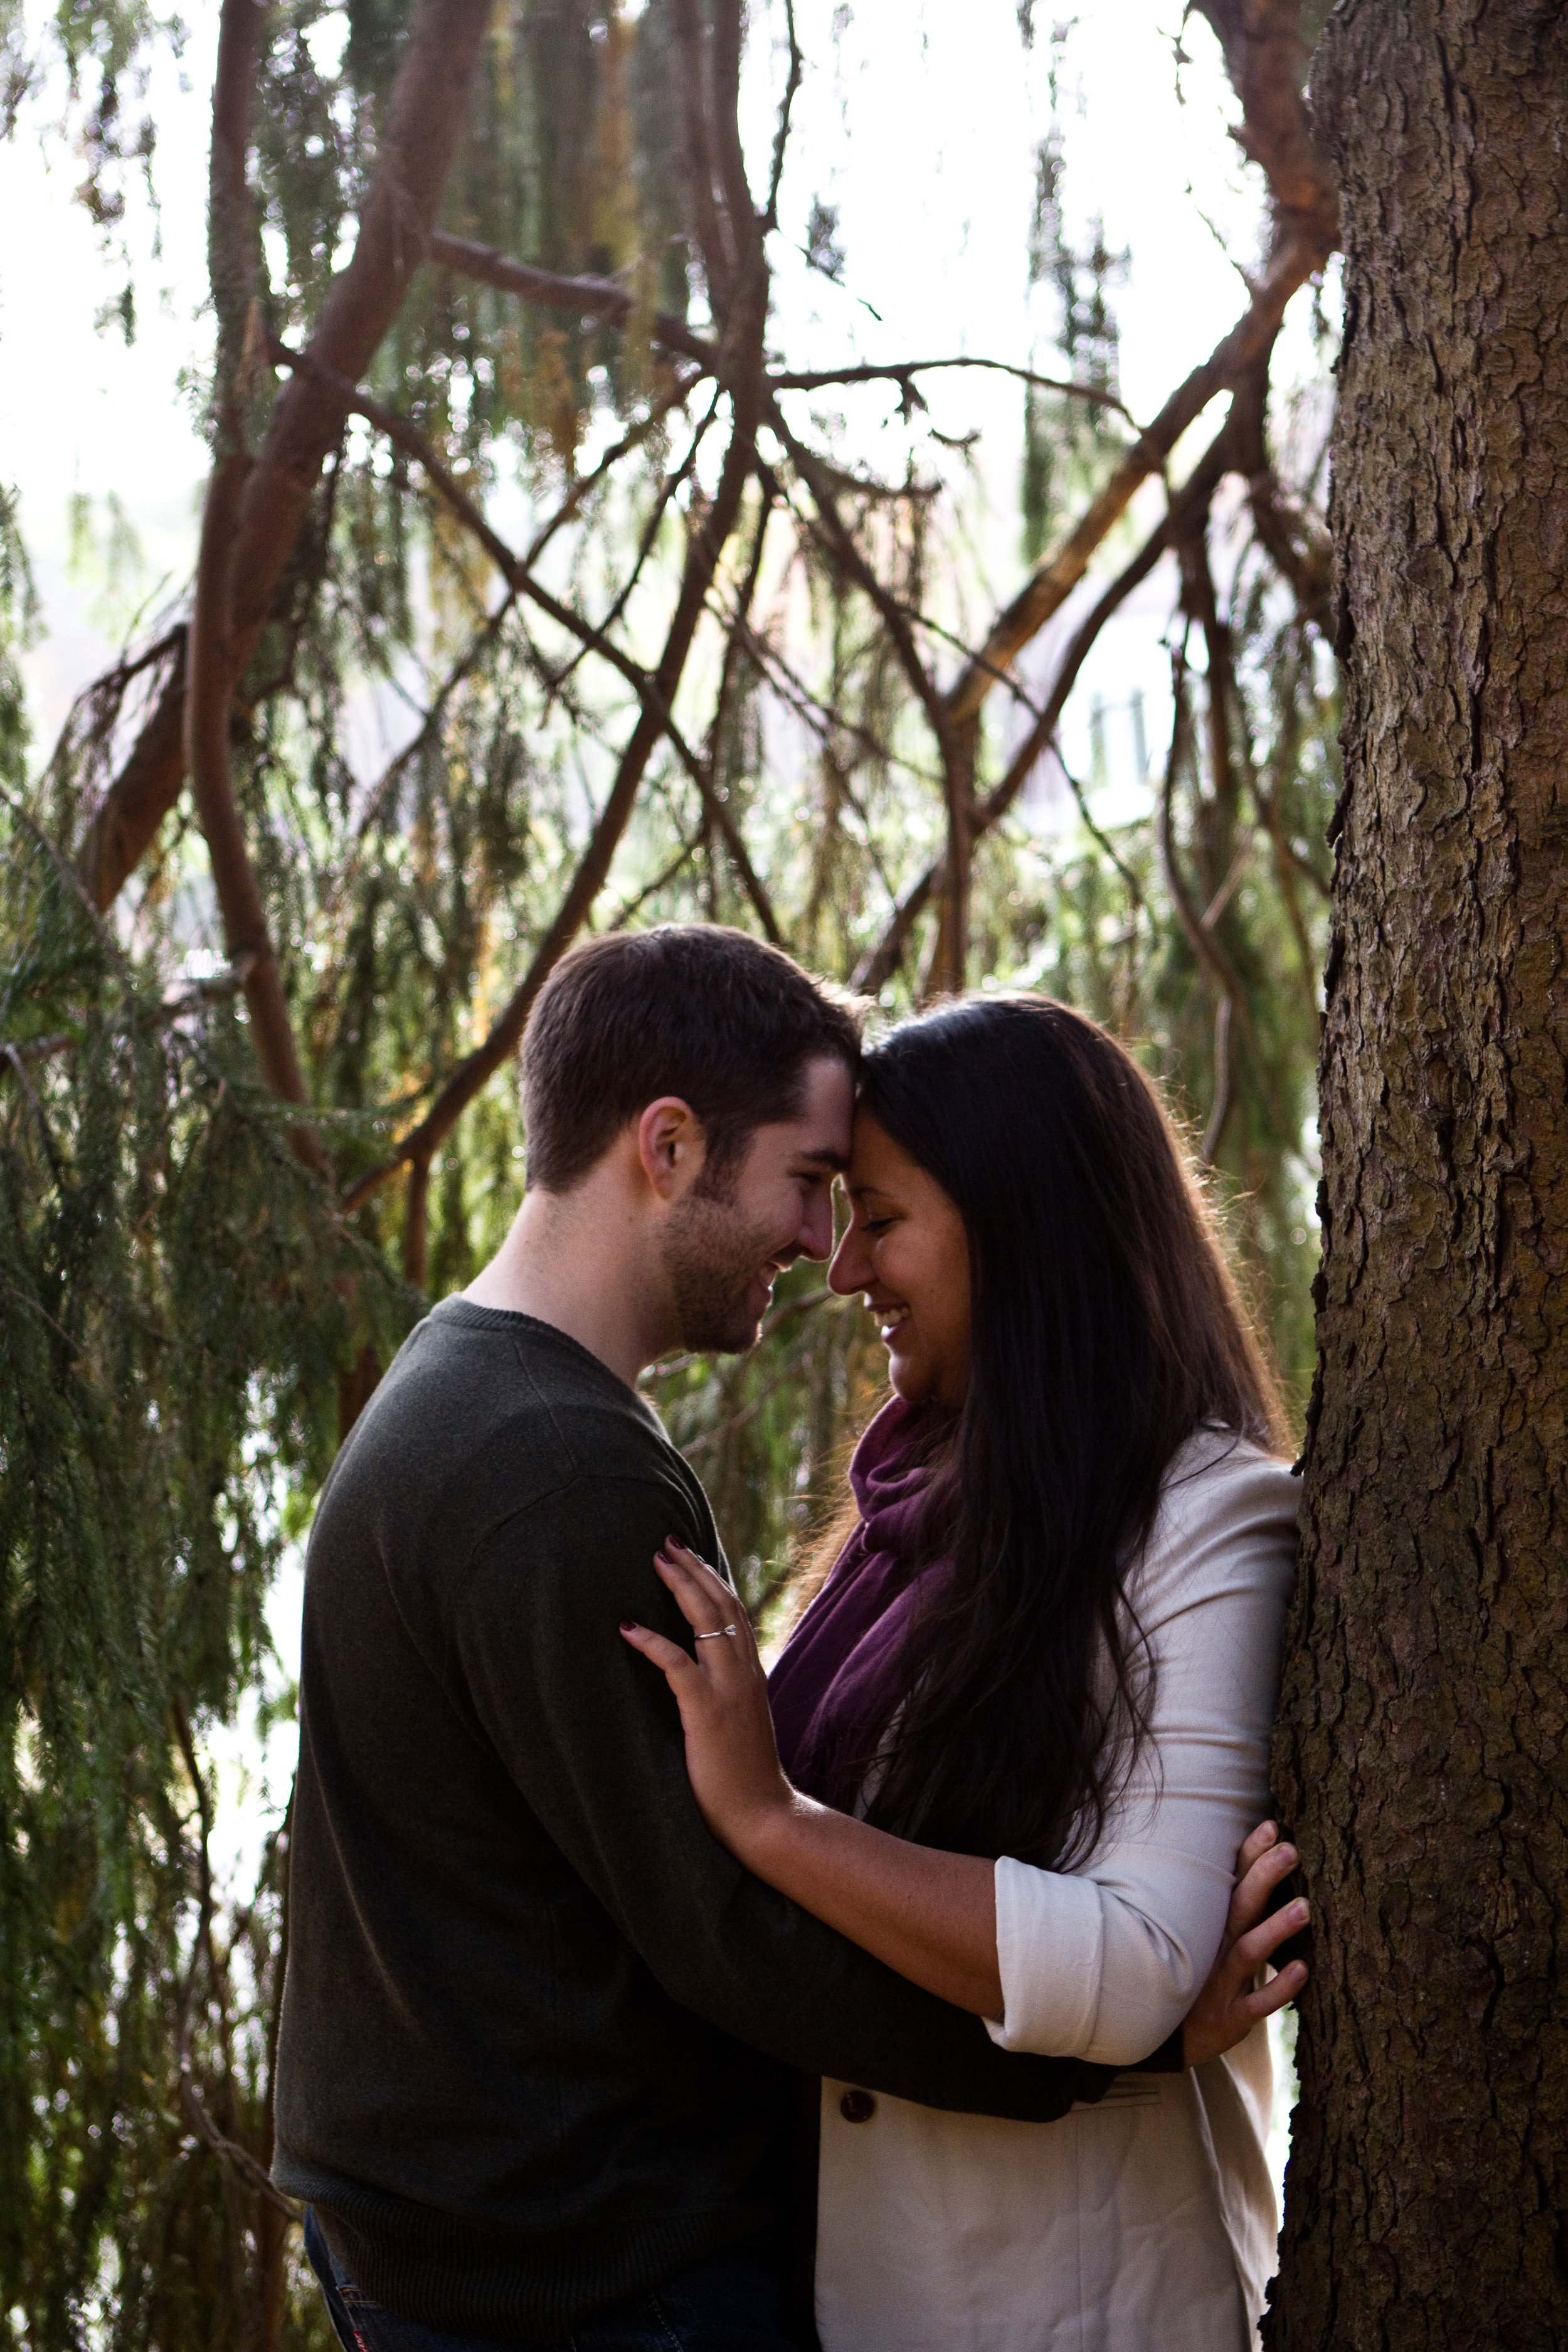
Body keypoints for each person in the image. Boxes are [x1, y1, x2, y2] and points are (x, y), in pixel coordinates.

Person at [273, 928, 1304, 2352]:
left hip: (623, 2262)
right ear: (672, 1146)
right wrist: (1105, 2056)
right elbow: (727, 1924)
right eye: (815, 1188)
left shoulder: (480, 1390)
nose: (825, 1255)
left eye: (864, 1208)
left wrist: (1110, 2013)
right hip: (574, 2276)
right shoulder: (555, 1466)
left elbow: (745, 1879)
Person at [622, 990, 1306, 2352]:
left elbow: (1144, 1960)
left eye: (880, 1218)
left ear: (1022, 1227)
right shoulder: (915, 1505)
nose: (840, 1269)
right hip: (836, 2289)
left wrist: (770, 1818)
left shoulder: (1205, 1513)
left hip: (1060, 2301)